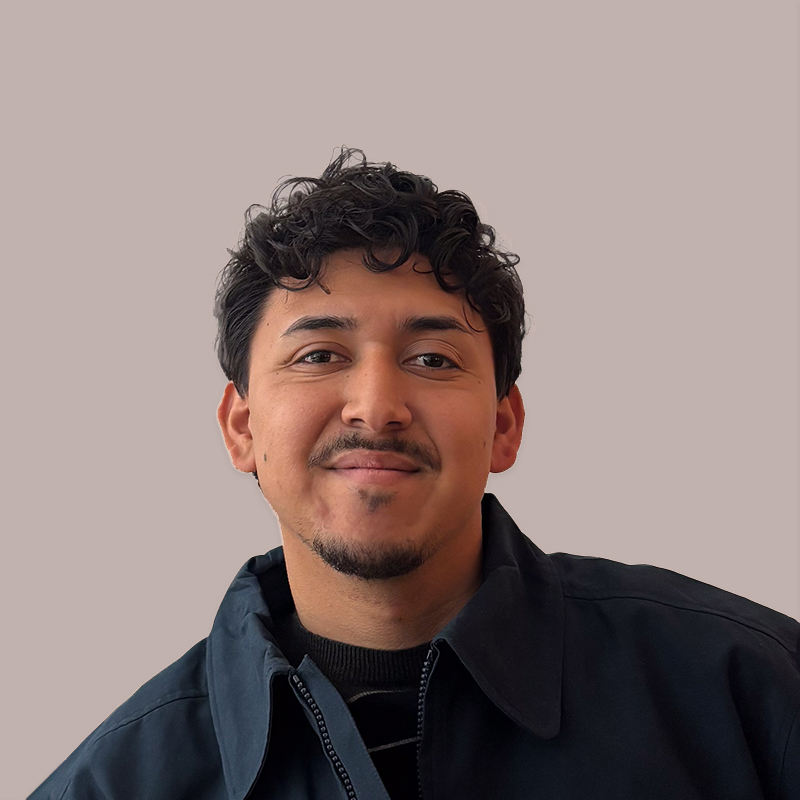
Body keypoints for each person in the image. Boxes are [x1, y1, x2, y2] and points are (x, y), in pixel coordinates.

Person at [30, 149, 799, 800]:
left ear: (504, 425)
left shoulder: (748, 691)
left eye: (432, 359)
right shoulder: (113, 783)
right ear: (242, 428)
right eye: (319, 355)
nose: (376, 407)